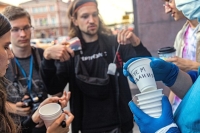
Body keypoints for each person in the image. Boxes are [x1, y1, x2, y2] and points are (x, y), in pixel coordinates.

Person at [40, 0, 151, 132]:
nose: (91, 20)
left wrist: (136, 43)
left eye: (94, 15)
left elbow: (148, 70)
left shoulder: (115, 43)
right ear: (75, 20)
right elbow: (53, 89)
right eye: (85, 16)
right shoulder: (70, 50)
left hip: (121, 125)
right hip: (88, 128)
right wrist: (47, 59)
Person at [0, 13, 74, 133]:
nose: (23, 34)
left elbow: (56, 91)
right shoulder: (3, 64)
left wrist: (38, 115)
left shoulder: (45, 56)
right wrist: (12, 108)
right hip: (14, 124)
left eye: (26, 28)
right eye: (15, 29)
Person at [163, 0, 200, 111]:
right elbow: (176, 79)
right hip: (181, 110)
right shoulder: (181, 34)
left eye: (169, 1)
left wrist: (192, 66)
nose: (166, 10)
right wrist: (169, 113)